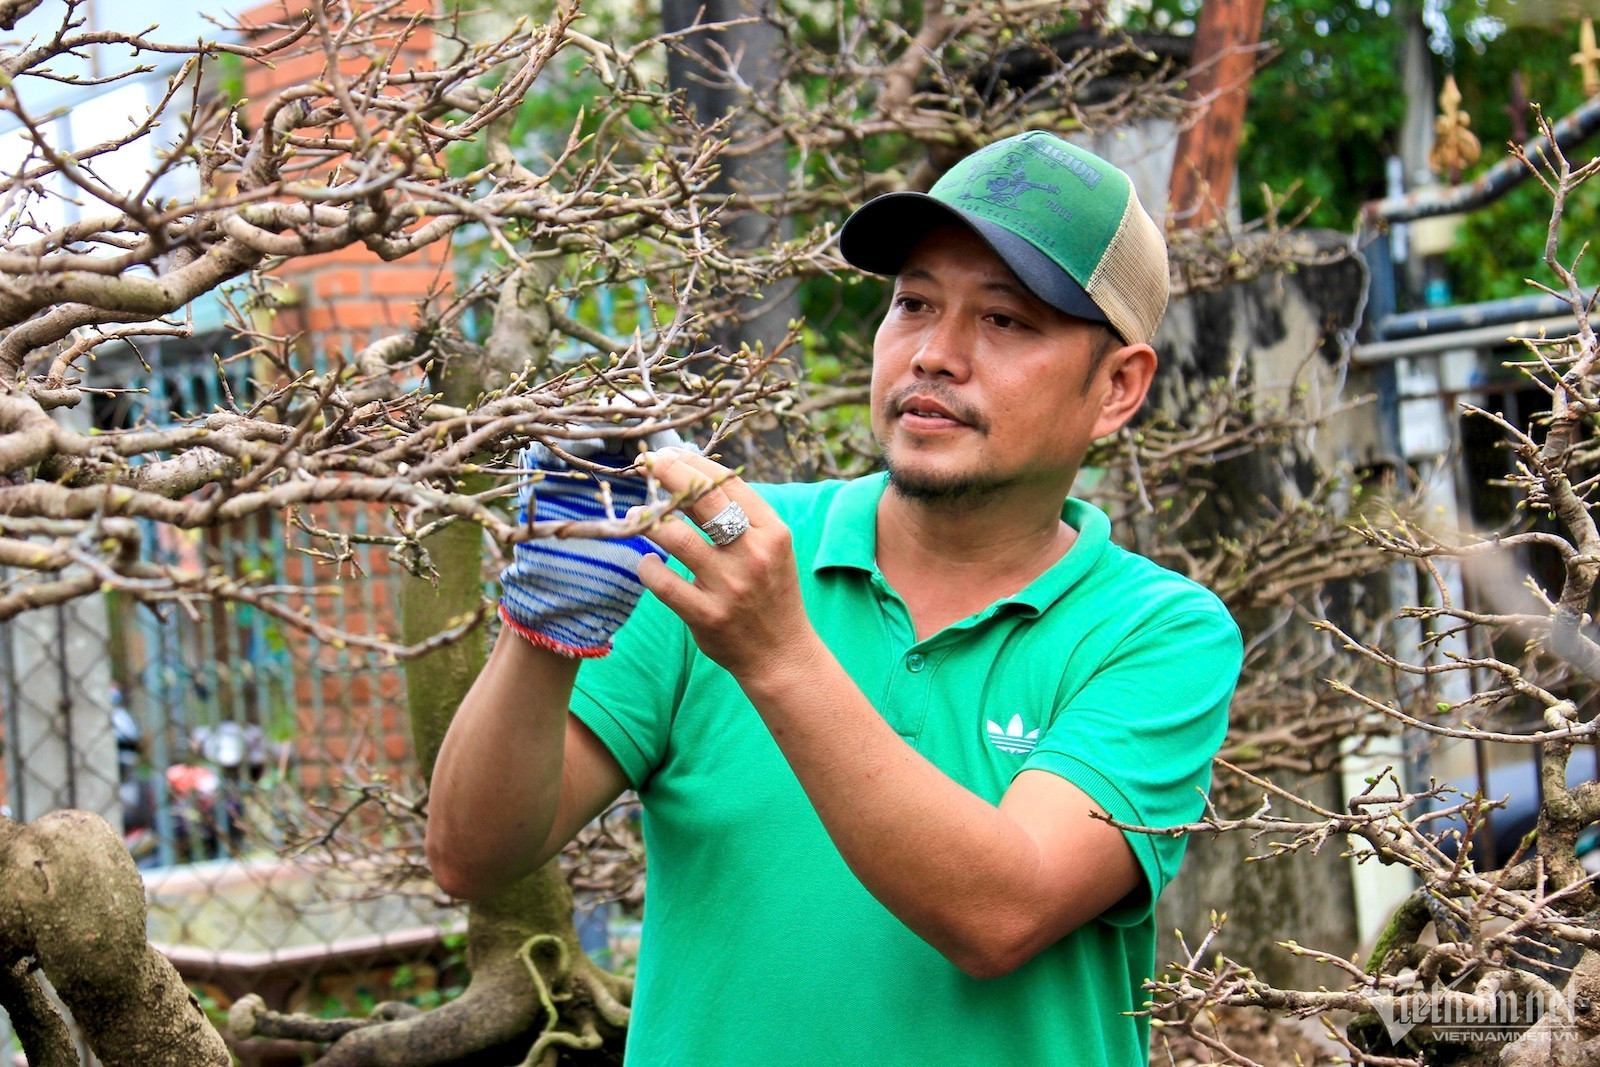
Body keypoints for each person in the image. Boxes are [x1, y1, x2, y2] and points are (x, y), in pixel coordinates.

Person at [426, 130, 1243, 1067]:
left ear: (1119, 386)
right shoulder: (726, 552)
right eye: (914, 303)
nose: (936, 354)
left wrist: (776, 653)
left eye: (1005, 320)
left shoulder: (1156, 632)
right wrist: (546, 622)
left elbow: (1001, 911)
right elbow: (472, 853)